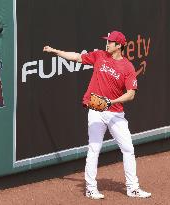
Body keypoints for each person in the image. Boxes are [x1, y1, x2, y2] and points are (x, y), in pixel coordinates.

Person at [43, 31, 151, 200]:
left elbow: (131, 94)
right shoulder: (100, 56)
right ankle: (91, 188)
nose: (107, 44)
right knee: (94, 148)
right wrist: (56, 51)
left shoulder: (127, 67)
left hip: (115, 113)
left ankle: (133, 188)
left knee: (128, 149)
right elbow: (78, 57)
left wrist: (111, 102)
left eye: (110, 42)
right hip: (96, 110)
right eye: (107, 41)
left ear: (119, 46)